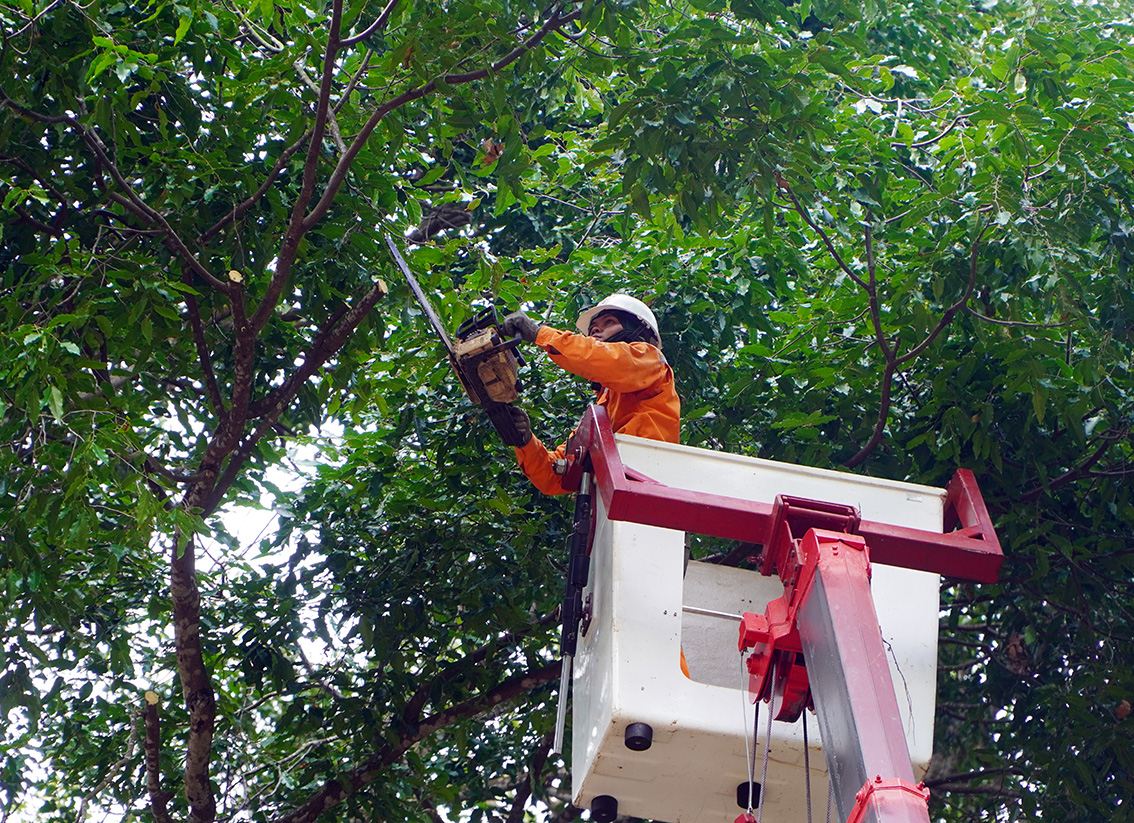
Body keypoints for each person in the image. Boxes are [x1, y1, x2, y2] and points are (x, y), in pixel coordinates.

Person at [499, 294, 680, 495]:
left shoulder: (650, 362)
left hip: (647, 486)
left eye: (609, 322)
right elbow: (555, 475)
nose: (596, 330)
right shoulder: (601, 414)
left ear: (635, 331)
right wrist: (525, 442)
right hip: (610, 505)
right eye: (593, 327)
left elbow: (606, 359)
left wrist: (539, 334)